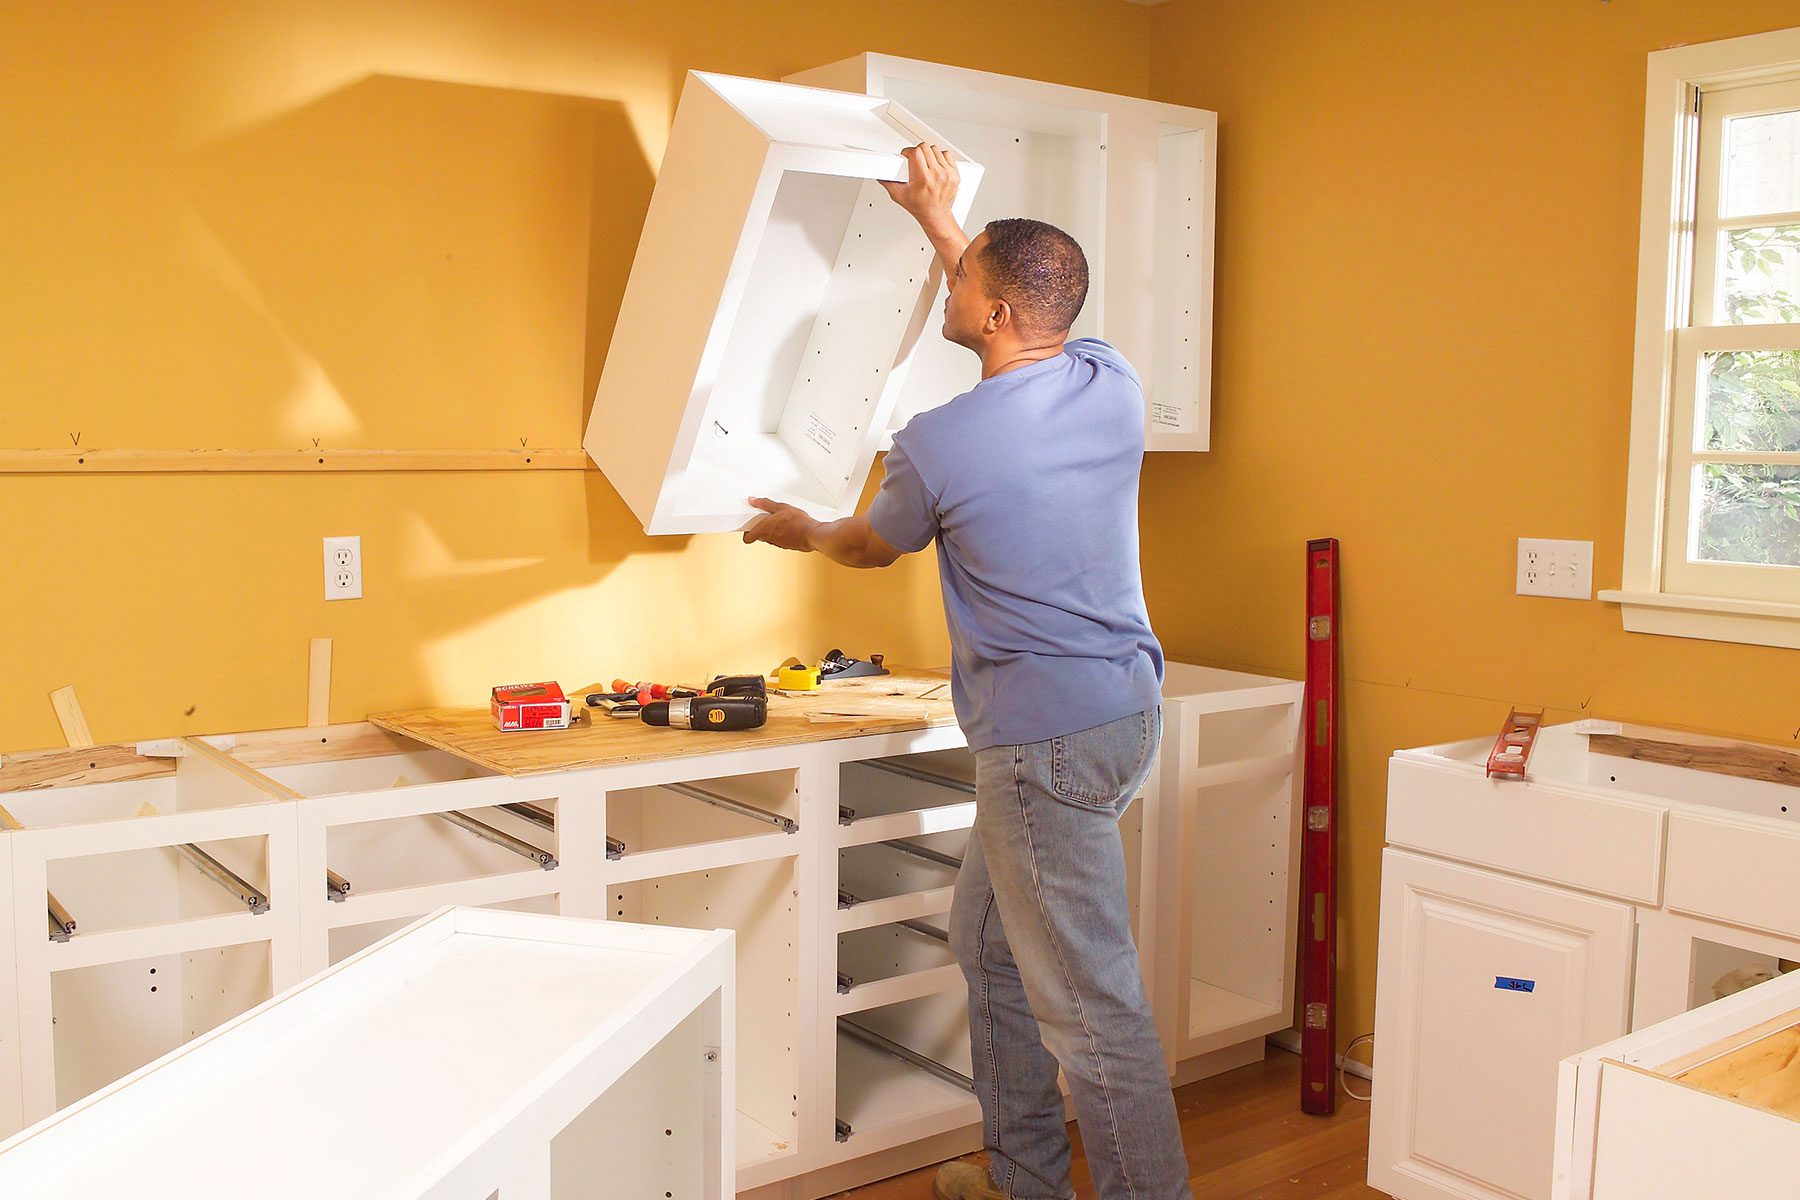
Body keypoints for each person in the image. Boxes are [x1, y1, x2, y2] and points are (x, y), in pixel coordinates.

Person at [742, 143, 1187, 1200]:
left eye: (964, 274)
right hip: (1123, 714)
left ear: (989, 311)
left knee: (1095, 1008)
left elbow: (866, 545)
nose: (954, 278)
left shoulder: (940, 444)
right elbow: (1012, 303)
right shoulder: (1110, 382)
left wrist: (804, 527)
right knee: (986, 947)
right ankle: (1022, 1180)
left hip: (1039, 742)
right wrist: (945, 224)